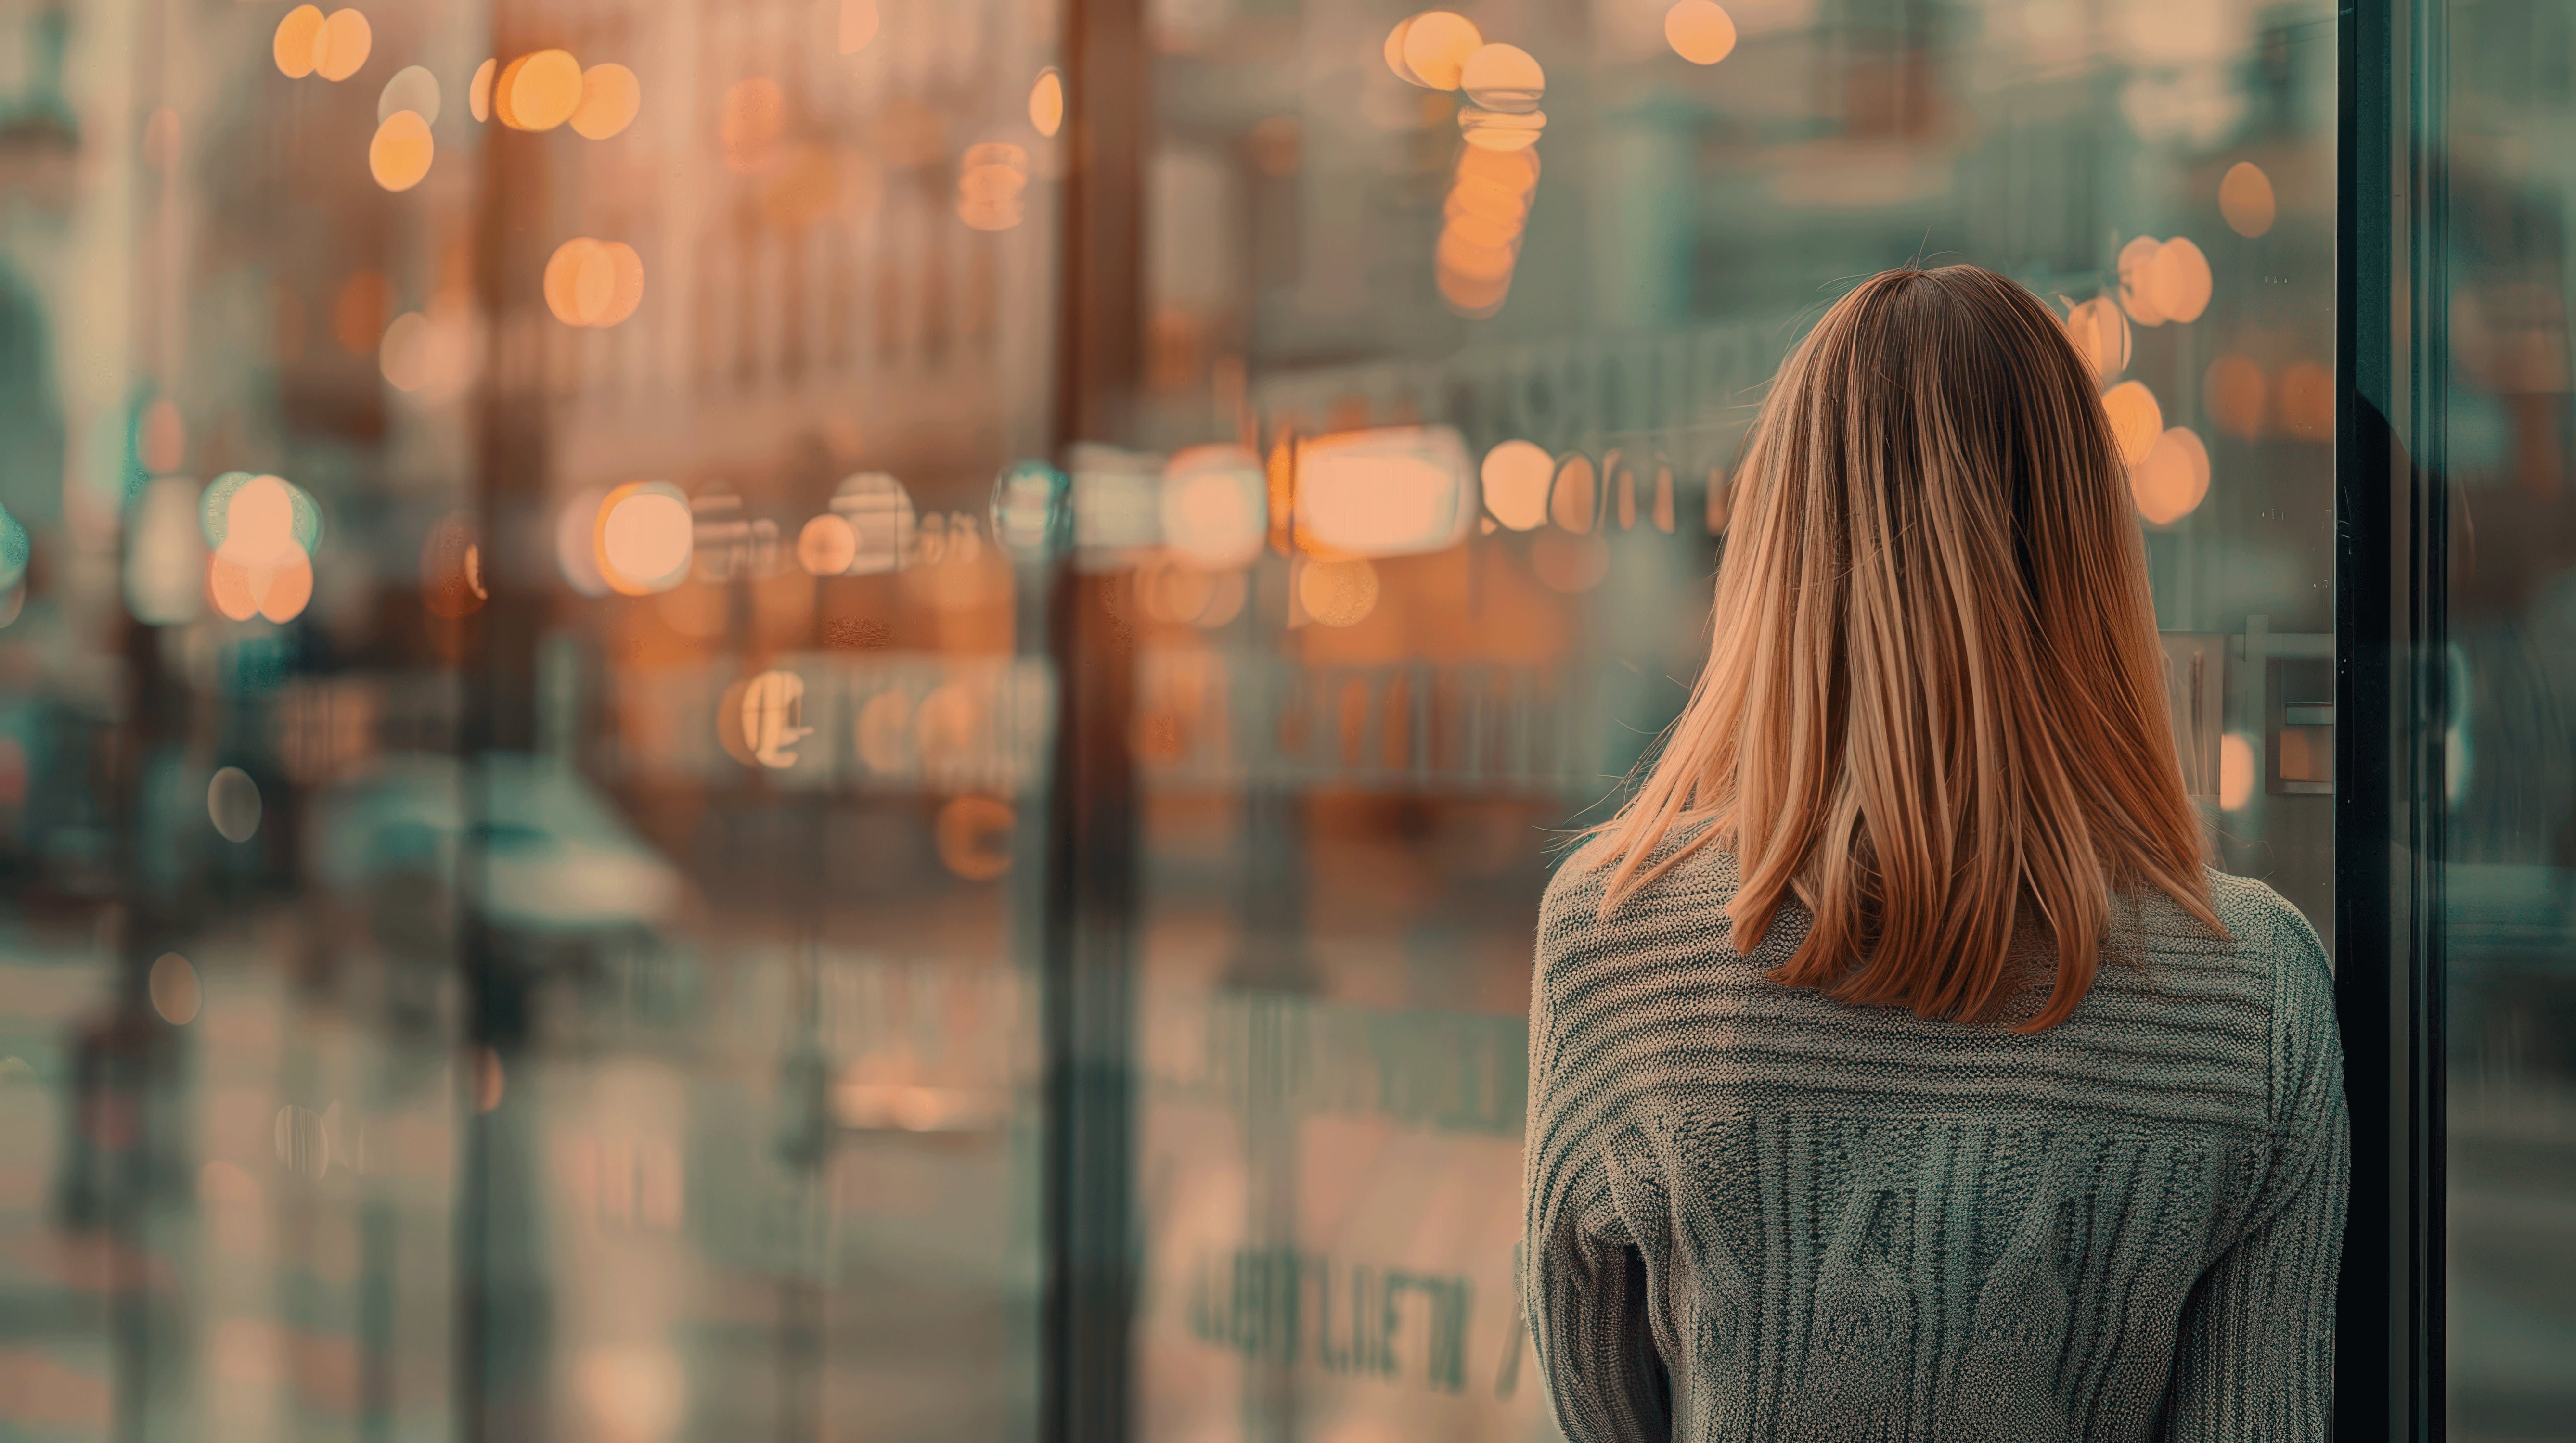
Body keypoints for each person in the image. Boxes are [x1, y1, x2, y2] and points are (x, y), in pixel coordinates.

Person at [1521, 265, 2347, 1441]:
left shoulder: (1615, 940)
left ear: (1775, 555)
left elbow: (1602, 1414)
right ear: (2089, 559)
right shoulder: (2252, 989)